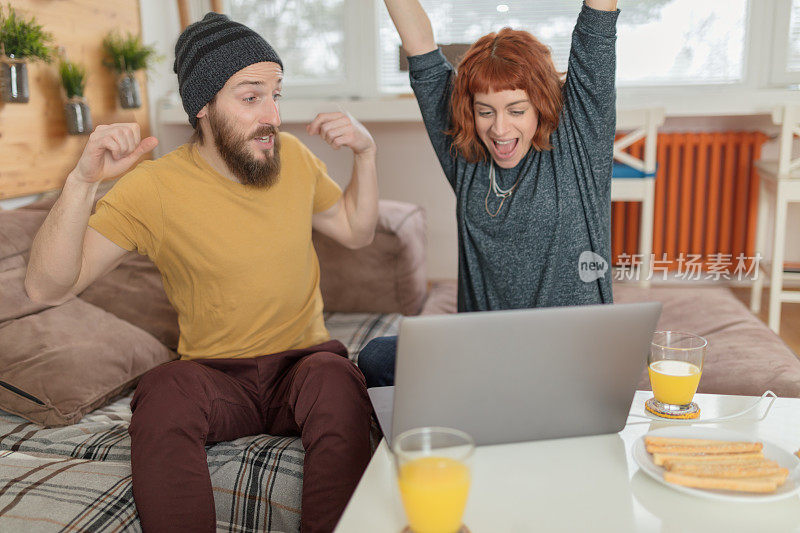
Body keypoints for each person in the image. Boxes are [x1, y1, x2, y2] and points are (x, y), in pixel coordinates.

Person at [25, 13, 379, 533]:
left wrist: (366, 154)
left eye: (276, 95)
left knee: (340, 381)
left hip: (302, 367)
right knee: (164, 390)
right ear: (202, 106)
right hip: (217, 379)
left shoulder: (294, 159)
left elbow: (355, 230)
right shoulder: (154, 188)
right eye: (251, 96)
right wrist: (82, 181)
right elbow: (48, 286)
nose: (273, 116)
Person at [358, 0, 620, 387]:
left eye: (516, 110)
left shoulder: (579, 143)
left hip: (570, 353)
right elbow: (422, 49)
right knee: (377, 357)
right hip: (487, 355)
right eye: (486, 111)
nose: (499, 129)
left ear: (542, 105)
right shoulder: (466, 156)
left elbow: (596, 28)